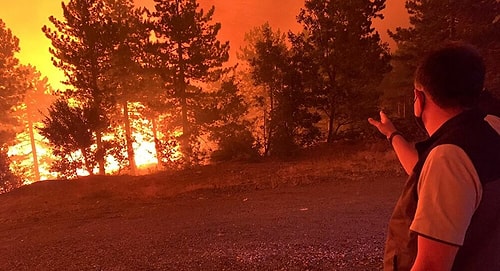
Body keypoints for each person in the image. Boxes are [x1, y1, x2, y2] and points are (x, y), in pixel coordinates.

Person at [368, 43, 500, 271]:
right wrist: (392, 134)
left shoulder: (449, 157)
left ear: (418, 97)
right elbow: (423, 172)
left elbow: (431, 266)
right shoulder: (491, 129)